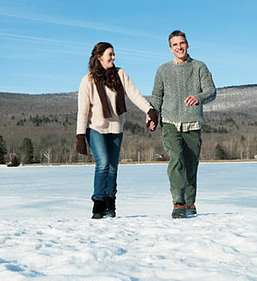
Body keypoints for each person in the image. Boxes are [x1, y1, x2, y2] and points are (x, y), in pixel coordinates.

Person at [76, 42, 158, 219]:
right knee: (103, 163)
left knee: (113, 168)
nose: (113, 58)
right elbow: (83, 110)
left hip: (115, 128)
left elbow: (135, 94)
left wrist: (149, 109)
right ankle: (98, 204)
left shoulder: (120, 74)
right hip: (95, 129)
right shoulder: (88, 80)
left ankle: (110, 202)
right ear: (99, 57)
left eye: (113, 54)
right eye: (110, 54)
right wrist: (80, 136)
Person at [150, 30, 216, 218]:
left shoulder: (199, 67)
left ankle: (189, 202)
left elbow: (211, 91)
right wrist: (153, 114)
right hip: (170, 122)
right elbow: (156, 96)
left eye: (182, 43)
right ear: (170, 48)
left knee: (190, 163)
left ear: (187, 44)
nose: (179, 47)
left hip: (192, 123)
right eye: (175, 45)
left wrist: (198, 97)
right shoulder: (163, 70)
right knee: (177, 158)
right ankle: (178, 203)